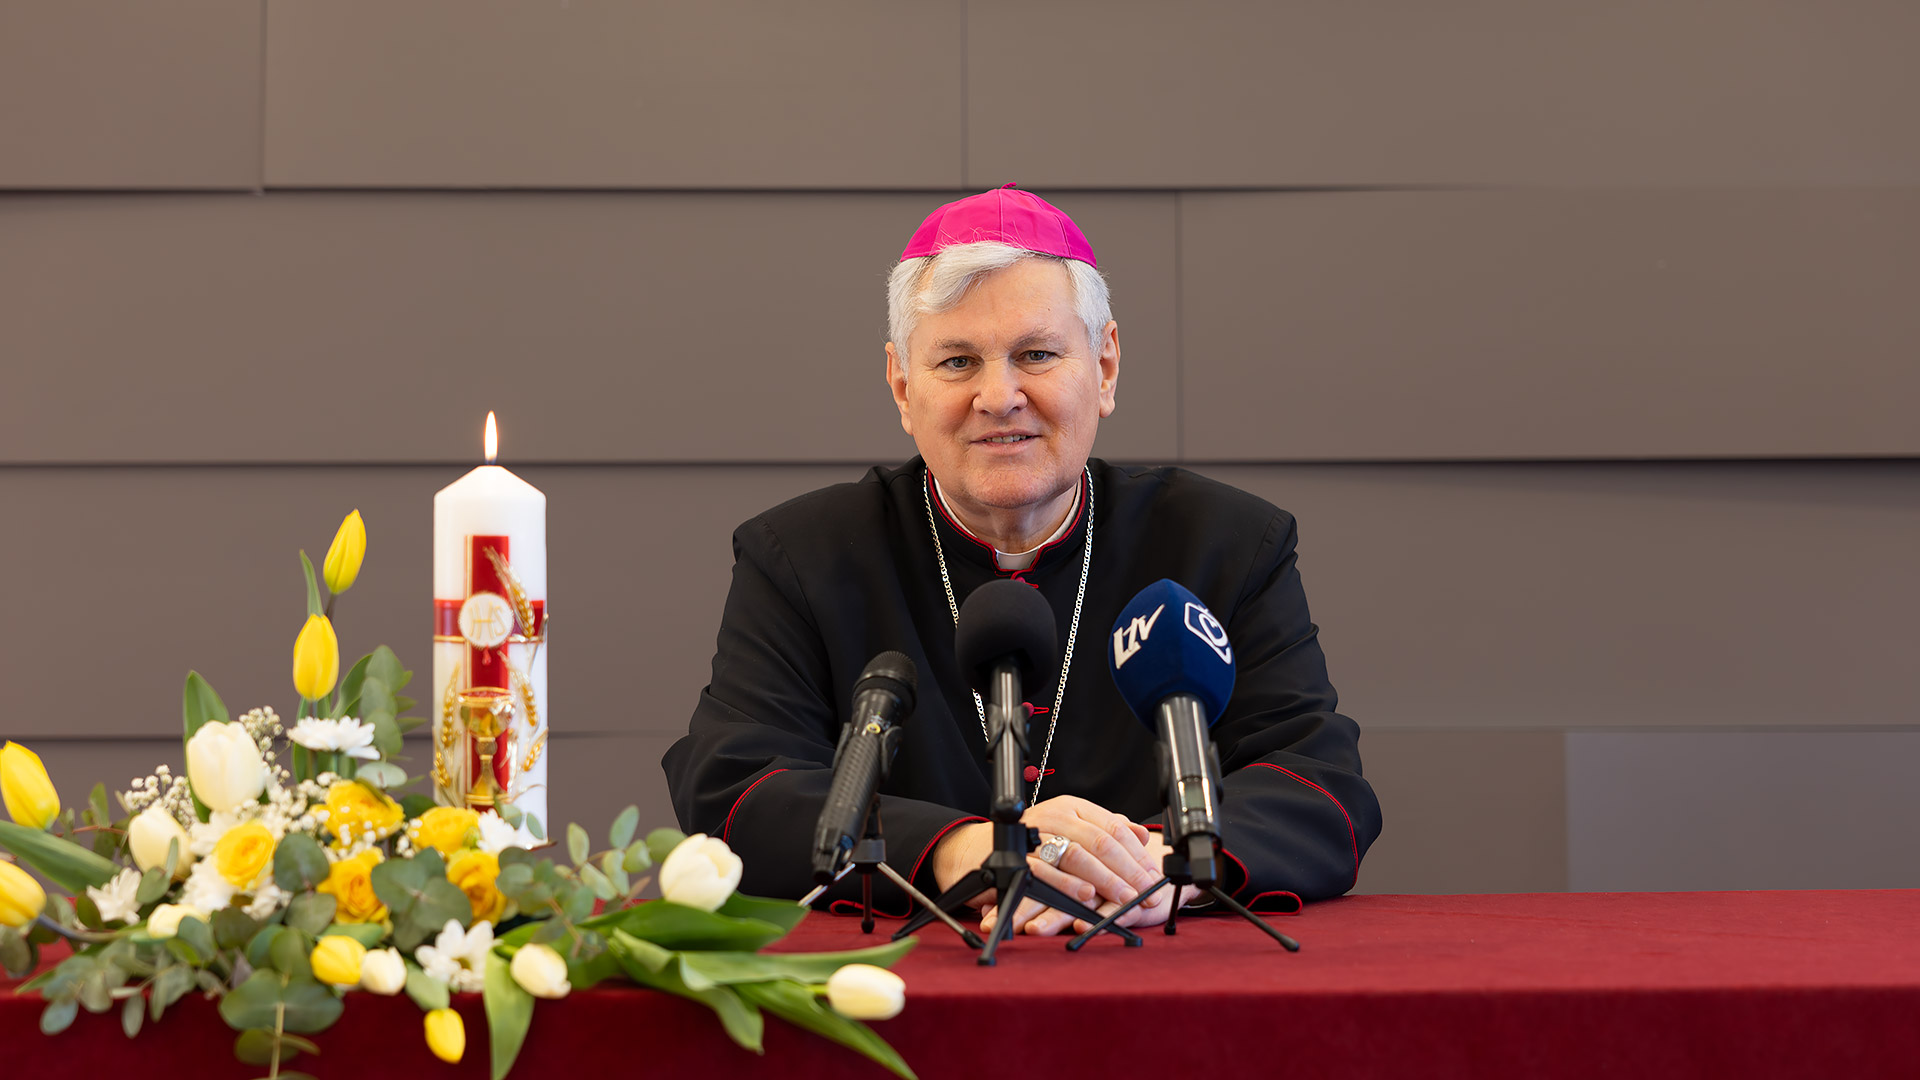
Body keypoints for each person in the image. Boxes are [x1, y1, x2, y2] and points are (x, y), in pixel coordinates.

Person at [663, 186, 1381, 937]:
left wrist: (1150, 866)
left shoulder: (1226, 543)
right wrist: (960, 849)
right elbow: (734, 784)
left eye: (1036, 354)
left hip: (1157, 974)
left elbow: (1320, 780)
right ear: (903, 386)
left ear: (1104, 368)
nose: (998, 396)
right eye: (957, 361)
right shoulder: (802, 557)